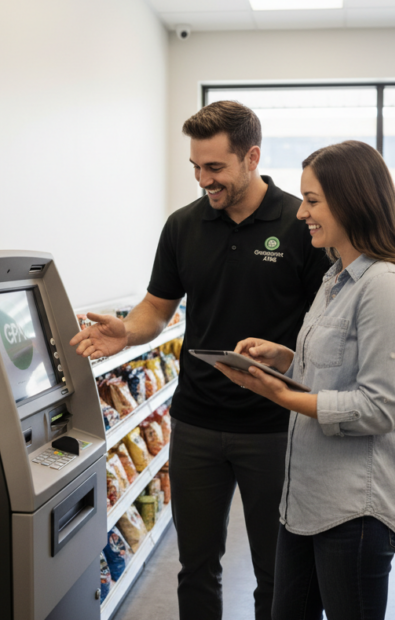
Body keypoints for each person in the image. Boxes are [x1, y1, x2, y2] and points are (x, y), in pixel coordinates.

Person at [69, 100, 329, 620]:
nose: (203, 180)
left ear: (251, 157)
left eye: (215, 168)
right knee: (196, 568)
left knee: (276, 572)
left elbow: (326, 327)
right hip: (196, 424)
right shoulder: (183, 226)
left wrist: (290, 359)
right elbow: (156, 309)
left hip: (276, 425)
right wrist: (128, 331)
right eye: (195, 167)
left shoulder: (299, 225)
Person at [215, 140, 395, 620]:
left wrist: (283, 396)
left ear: (352, 200)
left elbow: (379, 407)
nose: (301, 214)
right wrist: (287, 362)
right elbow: (337, 372)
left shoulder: (385, 287)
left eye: (312, 200)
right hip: (305, 504)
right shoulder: (335, 277)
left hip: (355, 511)